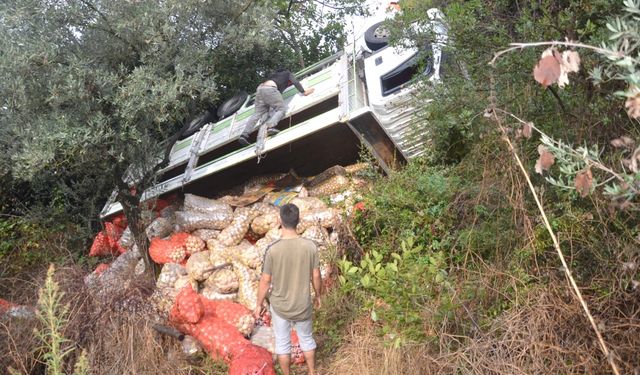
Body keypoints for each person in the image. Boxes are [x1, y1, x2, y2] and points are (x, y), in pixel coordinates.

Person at [254, 203, 322, 375]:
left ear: (280, 220)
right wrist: (319, 295)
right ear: (298, 221)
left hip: (280, 306)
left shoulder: (273, 250)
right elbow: (316, 275)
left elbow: (265, 280)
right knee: (306, 339)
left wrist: (259, 304)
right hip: (302, 304)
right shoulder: (310, 247)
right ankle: (312, 372)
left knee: (283, 344)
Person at [238, 69, 315, 146]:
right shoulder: (287, 73)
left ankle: (244, 135)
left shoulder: (275, 76)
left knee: (257, 114)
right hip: (270, 89)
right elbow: (295, 82)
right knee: (281, 109)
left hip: (260, 89)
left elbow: (271, 97)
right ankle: (270, 127)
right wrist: (303, 91)